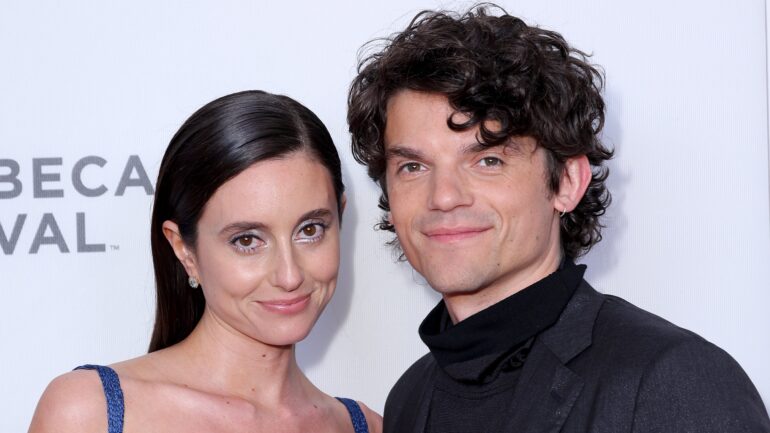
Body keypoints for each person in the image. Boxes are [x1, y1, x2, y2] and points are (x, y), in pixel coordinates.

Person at [347, 5, 770, 433]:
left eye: (488, 160)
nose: (443, 196)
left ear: (567, 181)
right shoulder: (409, 398)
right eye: (413, 167)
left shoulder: (670, 379)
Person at [29, 90, 381, 433]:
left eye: (310, 230)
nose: (289, 275)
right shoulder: (89, 413)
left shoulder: (365, 426)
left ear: (340, 218)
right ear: (184, 249)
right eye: (247, 240)